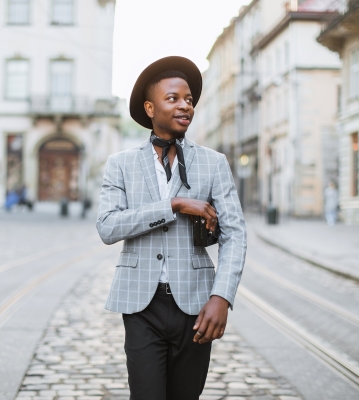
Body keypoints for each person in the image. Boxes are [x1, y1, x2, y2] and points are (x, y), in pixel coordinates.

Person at [96, 56, 247, 399]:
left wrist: (221, 296)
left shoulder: (214, 162)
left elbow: (235, 234)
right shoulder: (120, 165)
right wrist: (174, 205)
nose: (185, 106)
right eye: (174, 98)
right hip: (140, 305)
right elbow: (107, 227)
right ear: (150, 108)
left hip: (195, 306)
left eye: (190, 100)